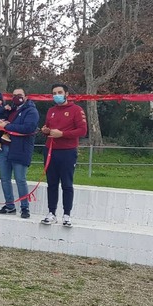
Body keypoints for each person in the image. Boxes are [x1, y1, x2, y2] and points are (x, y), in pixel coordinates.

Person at [40, 84, 87, 227]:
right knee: (52, 184)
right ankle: (51, 213)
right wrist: (45, 130)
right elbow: (47, 127)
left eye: (59, 92)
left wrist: (63, 134)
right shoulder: (51, 111)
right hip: (51, 150)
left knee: (67, 184)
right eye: (54, 93)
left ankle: (67, 215)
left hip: (67, 151)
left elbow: (82, 131)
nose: (57, 95)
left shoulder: (76, 110)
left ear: (66, 93)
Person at [0, 88, 39, 219]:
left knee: (20, 179)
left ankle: (25, 208)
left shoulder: (31, 111)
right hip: (4, 148)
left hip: (20, 149)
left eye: (19, 95)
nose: (16, 97)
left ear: (26, 96)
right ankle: (9, 206)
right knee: (4, 179)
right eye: (14, 95)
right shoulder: (11, 110)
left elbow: (28, 128)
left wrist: (6, 127)